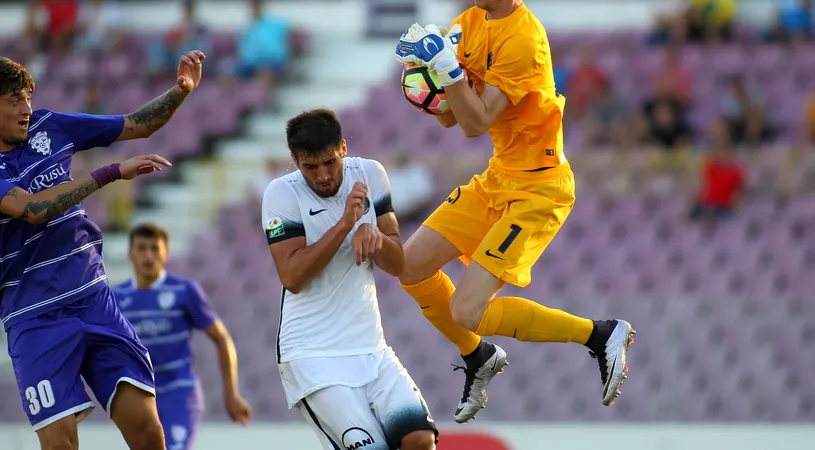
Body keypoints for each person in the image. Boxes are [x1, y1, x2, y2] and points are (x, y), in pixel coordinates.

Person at [394, 0, 635, 424]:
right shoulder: (469, 23)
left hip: (538, 191)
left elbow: (475, 123)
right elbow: (453, 118)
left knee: (467, 312)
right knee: (409, 267)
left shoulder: (523, 38)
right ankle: (478, 355)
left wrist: (447, 68)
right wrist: (424, 80)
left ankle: (598, 334)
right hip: (498, 177)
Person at [0, 50, 205, 450]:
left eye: (27, 97)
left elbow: (138, 125)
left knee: (148, 432)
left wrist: (181, 91)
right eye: (13, 100)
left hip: (93, 298)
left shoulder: (51, 125)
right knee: (60, 444)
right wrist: (110, 172)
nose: (26, 108)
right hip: (34, 318)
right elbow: (31, 208)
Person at [262, 109, 437, 450]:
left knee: (420, 439)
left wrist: (374, 236)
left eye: (330, 162)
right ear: (294, 160)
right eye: (310, 167)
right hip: (312, 357)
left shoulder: (371, 174)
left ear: (343, 148)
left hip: (371, 348)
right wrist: (345, 225)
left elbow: (398, 263)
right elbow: (292, 276)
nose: (323, 175)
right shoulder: (281, 194)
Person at [112, 223, 252, 450]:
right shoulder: (116, 298)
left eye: (154, 249)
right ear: (131, 254)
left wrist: (232, 394)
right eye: (142, 248)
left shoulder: (184, 291)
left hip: (180, 392)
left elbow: (222, 338)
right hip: (141, 397)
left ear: (166, 253)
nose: (148, 256)